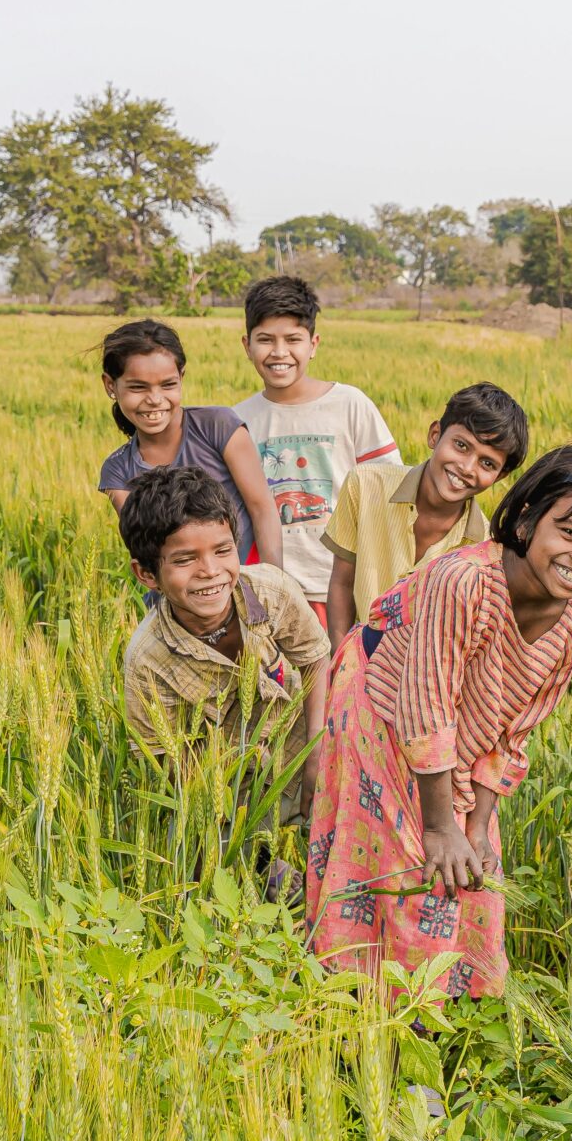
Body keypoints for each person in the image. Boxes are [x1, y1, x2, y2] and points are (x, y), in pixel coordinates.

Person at [304, 446, 572, 998]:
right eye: (570, 532)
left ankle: (449, 1013)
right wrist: (441, 827)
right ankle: (375, 1013)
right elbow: (426, 704)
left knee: (475, 874)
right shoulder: (463, 581)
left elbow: (512, 734)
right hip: (382, 709)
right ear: (529, 517)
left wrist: (477, 826)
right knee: (410, 865)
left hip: (456, 741)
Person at [118, 465, 334, 850]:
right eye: (185, 560)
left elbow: (316, 658)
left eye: (222, 550)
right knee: (196, 853)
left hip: (300, 749)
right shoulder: (147, 660)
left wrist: (318, 750)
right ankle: (263, 867)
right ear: (146, 574)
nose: (211, 571)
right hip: (230, 790)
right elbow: (166, 761)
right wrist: (228, 820)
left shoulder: (271, 591)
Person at [233, 277, 400, 615]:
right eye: (265, 339)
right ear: (247, 345)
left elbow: (388, 488)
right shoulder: (238, 420)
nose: (279, 352)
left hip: (344, 583)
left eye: (293, 339)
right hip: (273, 588)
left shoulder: (350, 404)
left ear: (314, 343)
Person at [321, 381, 530, 650]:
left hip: (428, 683)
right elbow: (341, 583)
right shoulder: (365, 485)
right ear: (435, 435)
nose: (467, 467)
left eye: (487, 463)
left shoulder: (485, 548)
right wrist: (342, 665)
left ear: (500, 476)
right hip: (357, 667)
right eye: (461, 446)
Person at [97, 318, 285, 567]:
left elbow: (262, 510)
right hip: (176, 599)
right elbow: (149, 551)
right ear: (111, 385)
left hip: (245, 585)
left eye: (168, 385)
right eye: (138, 387)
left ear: (181, 377)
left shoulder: (218, 426)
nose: (155, 399)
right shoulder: (118, 471)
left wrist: (273, 588)